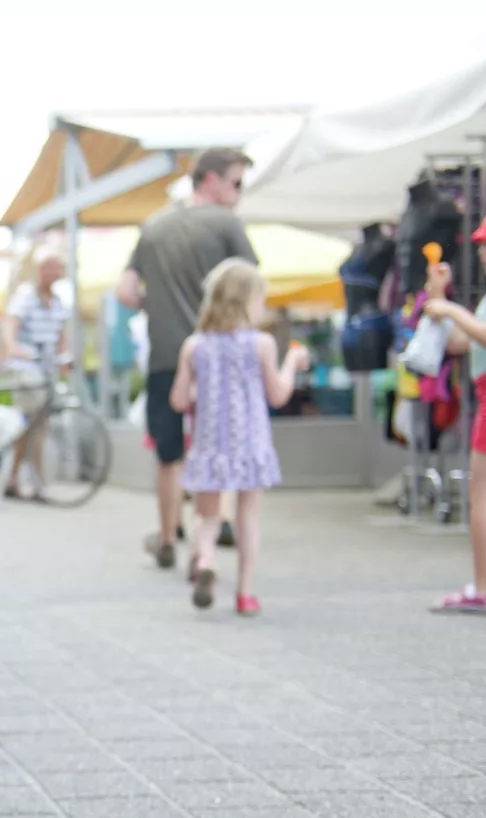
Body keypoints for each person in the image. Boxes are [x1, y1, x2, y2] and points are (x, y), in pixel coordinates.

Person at [119, 147, 259, 568]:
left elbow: (126, 292)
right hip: (218, 355)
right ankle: (211, 533)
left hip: (166, 355)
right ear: (211, 180)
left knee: (169, 454)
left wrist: (156, 306)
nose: (239, 192)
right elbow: (250, 289)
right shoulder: (226, 225)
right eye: (236, 182)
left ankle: (166, 537)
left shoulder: (154, 227)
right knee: (216, 444)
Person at [170, 260, 305, 615]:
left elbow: (179, 400)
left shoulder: (194, 345)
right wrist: (292, 363)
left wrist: (204, 388)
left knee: (208, 515)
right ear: (249, 301)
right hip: (249, 443)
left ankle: (206, 561)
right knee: (248, 515)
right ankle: (245, 594)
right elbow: (277, 395)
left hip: (210, 443)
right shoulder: (261, 344)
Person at [424, 196, 486, 614]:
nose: (482, 253)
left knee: (483, 495)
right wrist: (440, 299)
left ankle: (482, 589)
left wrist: (449, 308)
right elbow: (466, 341)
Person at [0, 246, 69, 502]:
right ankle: (36, 481)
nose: (57, 272)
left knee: (32, 426)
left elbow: (61, 336)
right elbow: (10, 325)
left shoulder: (58, 302)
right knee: (37, 424)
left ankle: (14, 478)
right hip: (26, 369)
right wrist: (14, 348)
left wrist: (64, 357)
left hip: (46, 369)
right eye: (52, 267)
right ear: (42, 270)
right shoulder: (26, 296)